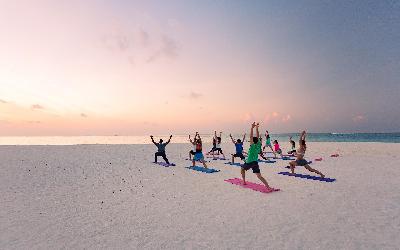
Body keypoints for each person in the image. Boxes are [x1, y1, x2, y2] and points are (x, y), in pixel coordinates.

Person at [241, 122, 277, 191]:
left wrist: (252, 128)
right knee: (259, 176)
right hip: (255, 162)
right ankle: (268, 187)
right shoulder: (259, 144)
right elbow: (257, 137)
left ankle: (244, 181)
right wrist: (257, 128)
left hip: (249, 162)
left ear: (252, 142)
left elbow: (251, 136)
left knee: (242, 169)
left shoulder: (252, 146)